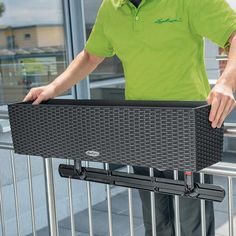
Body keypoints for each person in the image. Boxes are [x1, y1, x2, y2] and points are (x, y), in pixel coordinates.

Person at [23, 0, 236, 235]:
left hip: (187, 130)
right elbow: (90, 56)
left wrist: (226, 82)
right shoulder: (111, 7)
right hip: (139, 127)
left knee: (192, 221)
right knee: (156, 220)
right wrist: (53, 87)